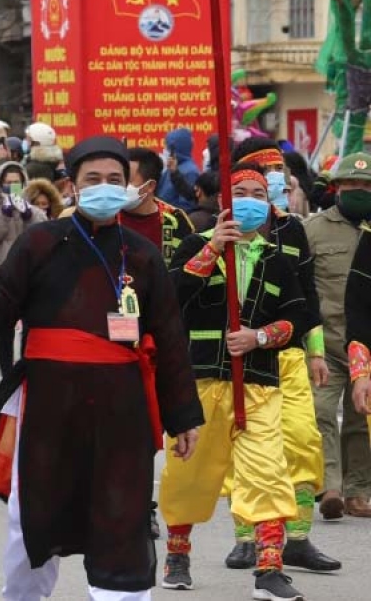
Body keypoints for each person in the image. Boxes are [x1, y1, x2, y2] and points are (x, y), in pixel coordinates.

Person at [0, 135, 203, 601]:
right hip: (49, 402)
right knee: (34, 512)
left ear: (130, 187)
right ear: (73, 186)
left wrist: (183, 416)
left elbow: (169, 338)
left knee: (123, 510)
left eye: (115, 180)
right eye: (93, 179)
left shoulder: (142, 256)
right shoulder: (39, 242)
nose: (105, 187)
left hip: (122, 407)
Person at [159, 167, 312, 599]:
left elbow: (300, 316)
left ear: (269, 202)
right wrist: (212, 248)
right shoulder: (195, 245)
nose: (248, 199)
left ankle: (269, 568)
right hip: (200, 380)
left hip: (260, 384)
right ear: (223, 201)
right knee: (189, 472)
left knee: (267, 471)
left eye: (257, 193)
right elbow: (171, 297)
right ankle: (178, 553)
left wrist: (260, 336)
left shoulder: (277, 258)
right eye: (239, 192)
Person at [217, 140, 336, 573]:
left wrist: (316, 352)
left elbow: (308, 300)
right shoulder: (220, 230)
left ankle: (299, 537)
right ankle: (245, 538)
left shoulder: (292, 229)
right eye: (265, 171)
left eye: (278, 173)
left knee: (303, 442)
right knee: (243, 450)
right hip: (235, 361)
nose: (274, 178)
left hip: (286, 354)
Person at [306, 153, 371, 521]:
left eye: (366, 186)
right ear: (336, 188)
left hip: (367, 348)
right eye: (351, 185)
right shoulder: (314, 229)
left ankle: (358, 491)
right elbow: (304, 284)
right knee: (321, 412)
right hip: (326, 344)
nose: (359, 191)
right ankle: (330, 484)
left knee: (362, 420)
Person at [0, 161, 45, 379]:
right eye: (7, 183)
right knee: (4, 332)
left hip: (29, 276)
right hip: (1, 276)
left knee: (30, 327)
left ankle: (25, 371)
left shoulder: (33, 211)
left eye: (16, 183)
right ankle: (7, 376)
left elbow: (42, 235)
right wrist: (5, 212)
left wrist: (27, 215)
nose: (12, 186)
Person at [122, 148, 196, 266]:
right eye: (117, 179)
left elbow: (183, 270)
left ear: (150, 186)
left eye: (128, 180)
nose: (120, 186)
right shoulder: (107, 216)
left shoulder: (175, 220)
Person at [160, 127, 201, 212]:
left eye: (167, 147)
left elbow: (187, 205)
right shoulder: (171, 168)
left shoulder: (190, 172)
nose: (164, 150)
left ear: (174, 149)